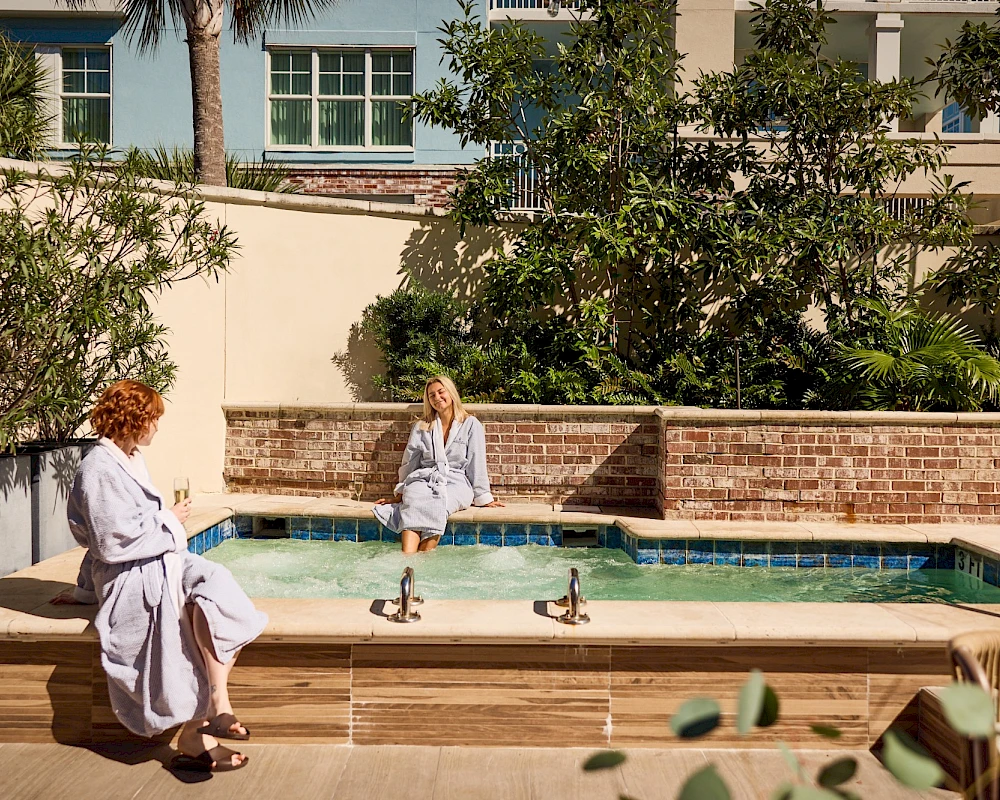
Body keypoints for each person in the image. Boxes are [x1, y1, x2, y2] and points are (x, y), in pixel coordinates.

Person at [51, 380, 267, 773]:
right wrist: (169, 519)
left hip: (160, 561)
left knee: (218, 589)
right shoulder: (97, 468)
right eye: (153, 418)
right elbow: (108, 544)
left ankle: (218, 705)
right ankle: (197, 732)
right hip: (131, 576)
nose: (157, 427)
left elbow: (123, 531)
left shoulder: (130, 458)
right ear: (134, 419)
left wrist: (164, 522)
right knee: (188, 611)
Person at [374, 375, 503, 554]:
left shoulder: (470, 424)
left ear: (451, 393)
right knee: (413, 498)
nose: (437, 398)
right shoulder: (422, 426)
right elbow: (410, 461)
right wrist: (401, 491)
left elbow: (477, 461)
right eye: (431, 395)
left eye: (441, 392)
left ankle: (423, 559)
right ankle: (407, 559)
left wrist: (483, 497)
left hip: (456, 482)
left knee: (440, 502)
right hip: (424, 477)